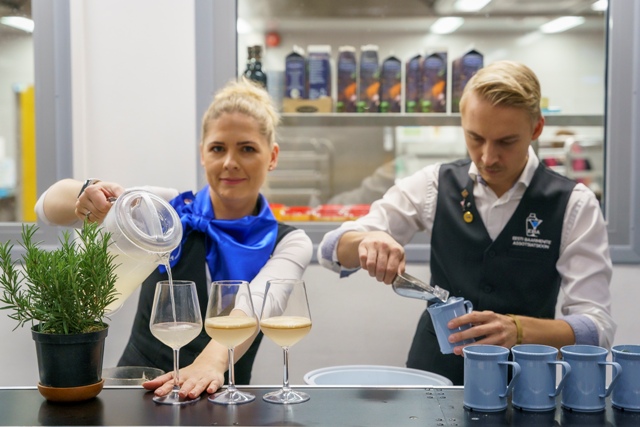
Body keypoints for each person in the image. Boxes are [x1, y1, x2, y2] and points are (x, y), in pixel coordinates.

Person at [317, 60, 615, 385]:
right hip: (433, 380)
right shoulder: (434, 184)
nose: (488, 157)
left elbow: (596, 329)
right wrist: (367, 241)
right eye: (475, 138)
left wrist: (519, 330)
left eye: (506, 142)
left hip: (524, 387)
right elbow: (331, 251)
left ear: (536, 129)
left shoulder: (574, 204)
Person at [35, 79, 313, 399]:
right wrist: (87, 193)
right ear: (202, 153)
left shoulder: (290, 242)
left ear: (272, 156)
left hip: (224, 398)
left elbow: (260, 303)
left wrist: (209, 364)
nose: (230, 162)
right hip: (138, 394)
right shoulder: (166, 210)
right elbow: (46, 208)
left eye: (247, 149)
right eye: (218, 148)